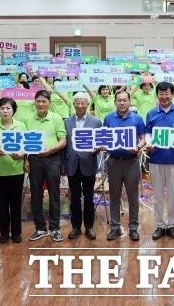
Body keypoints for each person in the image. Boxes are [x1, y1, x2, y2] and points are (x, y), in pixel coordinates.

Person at [145, 82, 174, 240]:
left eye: (167, 93)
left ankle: (170, 225)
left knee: (173, 196)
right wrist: (148, 143)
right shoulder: (151, 114)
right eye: (161, 94)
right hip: (156, 160)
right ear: (157, 95)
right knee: (157, 195)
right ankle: (159, 225)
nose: (164, 97)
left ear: (172, 94)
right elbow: (148, 134)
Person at [25, 89, 67, 242]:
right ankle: (40, 228)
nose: (41, 104)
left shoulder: (56, 118)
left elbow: (63, 140)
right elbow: (24, 142)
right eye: (38, 101)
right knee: (36, 195)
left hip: (52, 158)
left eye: (44, 101)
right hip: (34, 159)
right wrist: (25, 160)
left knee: (54, 194)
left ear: (49, 103)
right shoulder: (28, 119)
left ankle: (55, 228)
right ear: (35, 102)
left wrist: (50, 150)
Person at [104, 90, 146, 241]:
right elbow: (105, 137)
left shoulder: (137, 119)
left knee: (133, 197)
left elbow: (143, 138)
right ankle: (115, 228)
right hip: (114, 161)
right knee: (114, 196)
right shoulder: (108, 118)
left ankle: (133, 228)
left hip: (131, 162)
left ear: (129, 101)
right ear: (115, 101)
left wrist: (138, 146)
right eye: (119, 100)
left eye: (124, 100)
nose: (122, 103)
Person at [0, 97, 26, 244]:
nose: (5, 111)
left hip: (17, 171)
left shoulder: (21, 126)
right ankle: (3, 233)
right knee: (1, 204)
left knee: (15, 203)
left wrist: (22, 154)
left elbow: (27, 146)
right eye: (2, 108)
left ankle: (16, 232)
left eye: (8, 108)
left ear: (13, 110)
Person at [63, 92, 102, 240]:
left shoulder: (96, 122)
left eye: (83, 103)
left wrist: (97, 148)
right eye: (77, 103)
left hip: (88, 164)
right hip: (71, 164)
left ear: (88, 104)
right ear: (73, 104)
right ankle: (75, 227)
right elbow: (64, 145)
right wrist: (62, 165)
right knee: (74, 198)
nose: (80, 105)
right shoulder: (66, 122)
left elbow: (100, 142)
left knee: (89, 197)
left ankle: (90, 227)